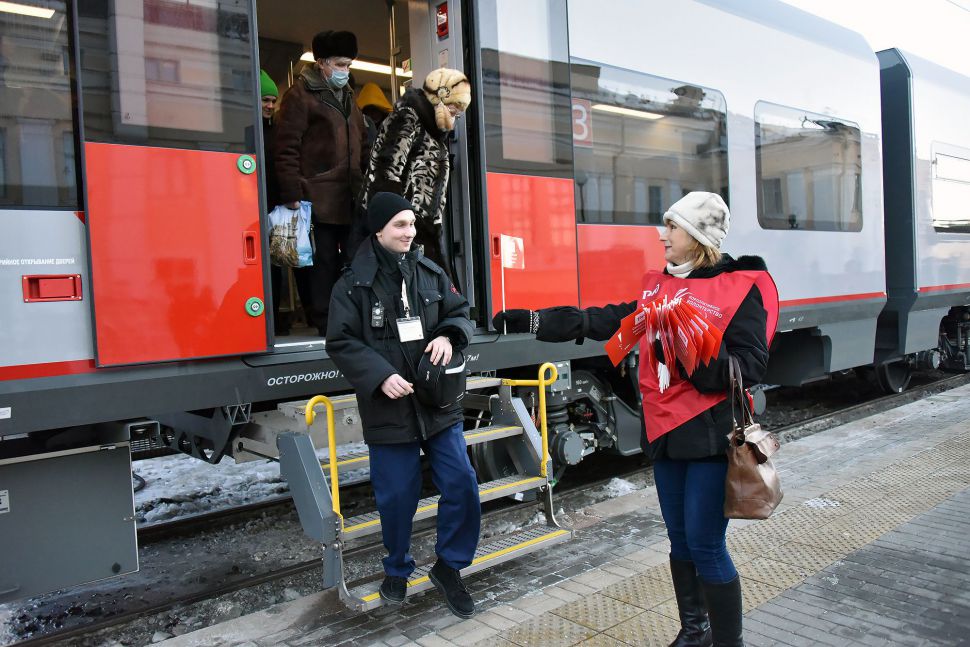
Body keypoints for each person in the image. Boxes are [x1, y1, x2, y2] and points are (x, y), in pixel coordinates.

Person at [493, 192, 778, 647]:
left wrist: (689, 345)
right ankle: (695, 632)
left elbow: (750, 367)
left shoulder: (740, 288)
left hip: (710, 438)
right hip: (665, 435)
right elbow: (607, 320)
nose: (663, 236)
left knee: (706, 545)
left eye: (673, 227)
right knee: (680, 541)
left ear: (697, 236)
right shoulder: (660, 287)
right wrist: (535, 322)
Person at [326, 192, 480, 619]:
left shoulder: (430, 271)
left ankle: (450, 567)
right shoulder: (352, 284)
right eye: (400, 224)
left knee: (462, 484)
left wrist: (449, 334)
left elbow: (460, 312)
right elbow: (340, 341)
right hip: (388, 409)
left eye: (411, 223)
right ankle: (396, 569)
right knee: (396, 499)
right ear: (378, 230)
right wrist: (379, 375)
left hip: (437, 405)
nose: (410, 232)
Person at [275, 30, 369, 336]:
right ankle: (325, 322)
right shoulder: (299, 95)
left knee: (351, 260)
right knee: (321, 262)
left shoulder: (349, 97)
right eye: (340, 64)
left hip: (349, 194)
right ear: (321, 62)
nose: (345, 71)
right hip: (314, 196)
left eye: (348, 65)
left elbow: (363, 144)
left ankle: (347, 319)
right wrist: (291, 192)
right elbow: (286, 147)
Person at [356, 68, 471, 274]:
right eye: (453, 110)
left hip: (419, 227)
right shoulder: (407, 118)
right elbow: (385, 172)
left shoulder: (432, 130)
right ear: (439, 102)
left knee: (432, 284)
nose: (455, 118)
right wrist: (395, 222)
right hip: (401, 225)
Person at [356, 81, 393, 146]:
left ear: (381, 110)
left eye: (374, 110)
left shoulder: (390, 127)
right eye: (367, 110)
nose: (371, 114)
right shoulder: (358, 129)